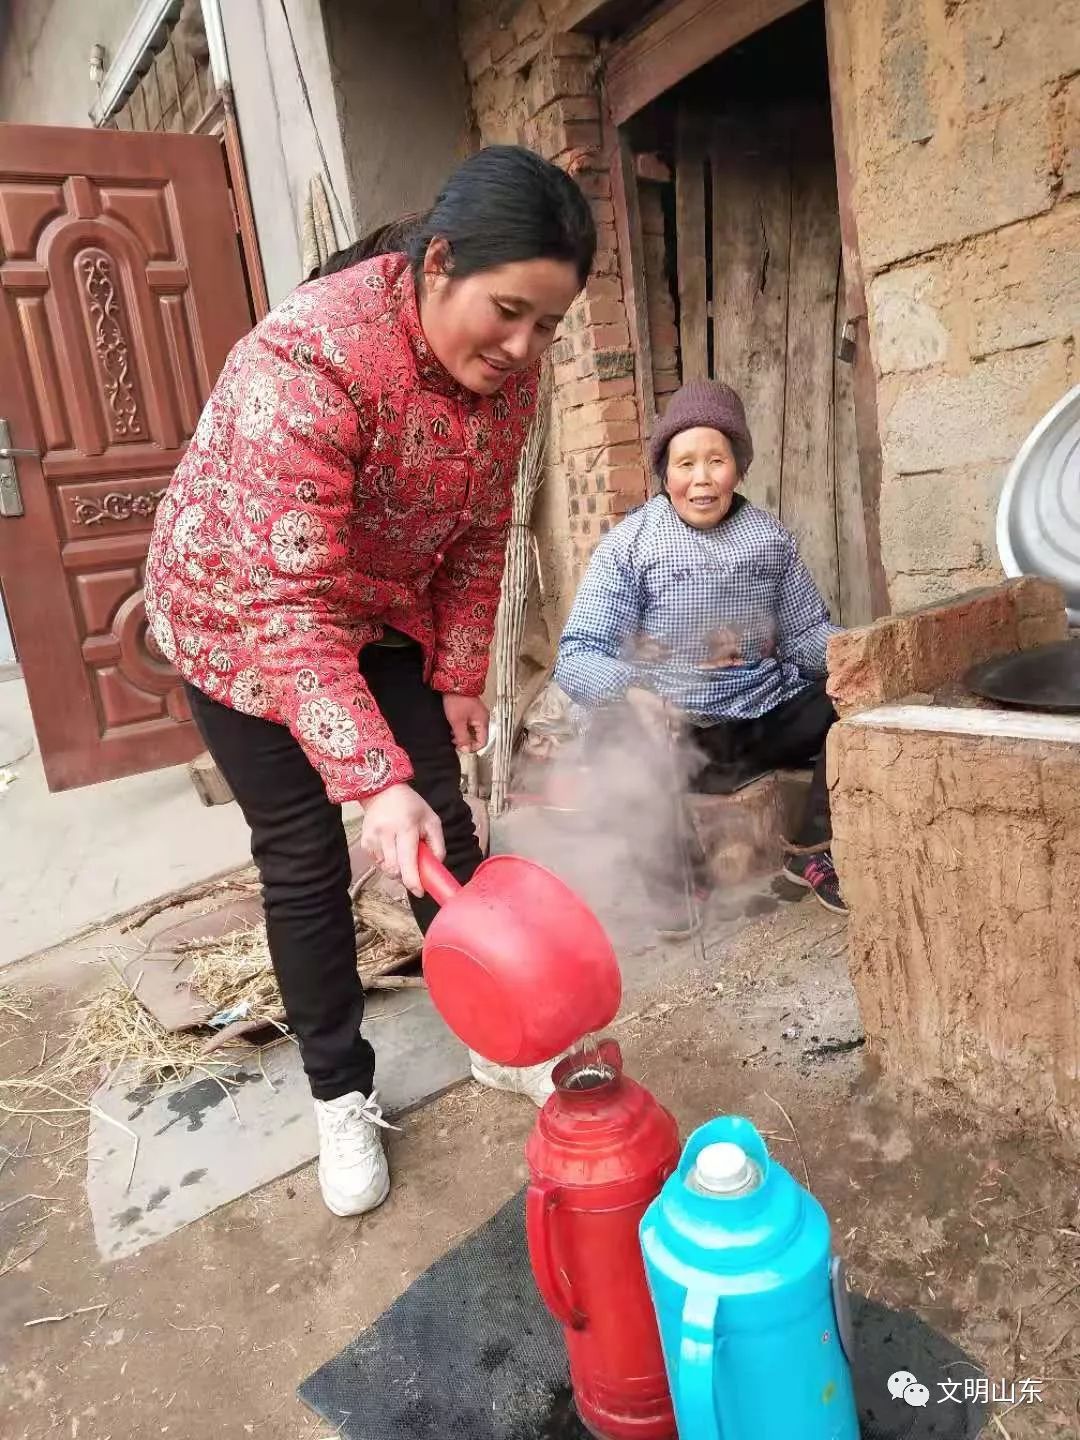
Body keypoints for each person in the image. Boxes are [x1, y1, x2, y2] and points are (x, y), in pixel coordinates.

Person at [144, 146, 595, 1218]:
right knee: (306, 857)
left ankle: (495, 1036)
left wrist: (456, 673)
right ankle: (340, 1095)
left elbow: (486, 531)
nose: (525, 347)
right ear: (438, 263)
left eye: (549, 326)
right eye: (508, 311)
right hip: (240, 615)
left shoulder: (509, 378)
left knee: (444, 818)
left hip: (378, 600)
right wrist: (366, 778)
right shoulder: (306, 366)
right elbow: (290, 617)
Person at [554, 379, 846, 928]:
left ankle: (810, 852)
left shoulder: (769, 539)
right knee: (609, 730)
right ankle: (680, 883)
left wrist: (853, 654)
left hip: (759, 719)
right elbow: (576, 655)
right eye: (686, 464)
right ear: (665, 473)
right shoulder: (631, 545)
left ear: (739, 465)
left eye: (717, 460)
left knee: (843, 701)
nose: (702, 478)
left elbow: (807, 634)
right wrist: (634, 693)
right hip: (670, 735)